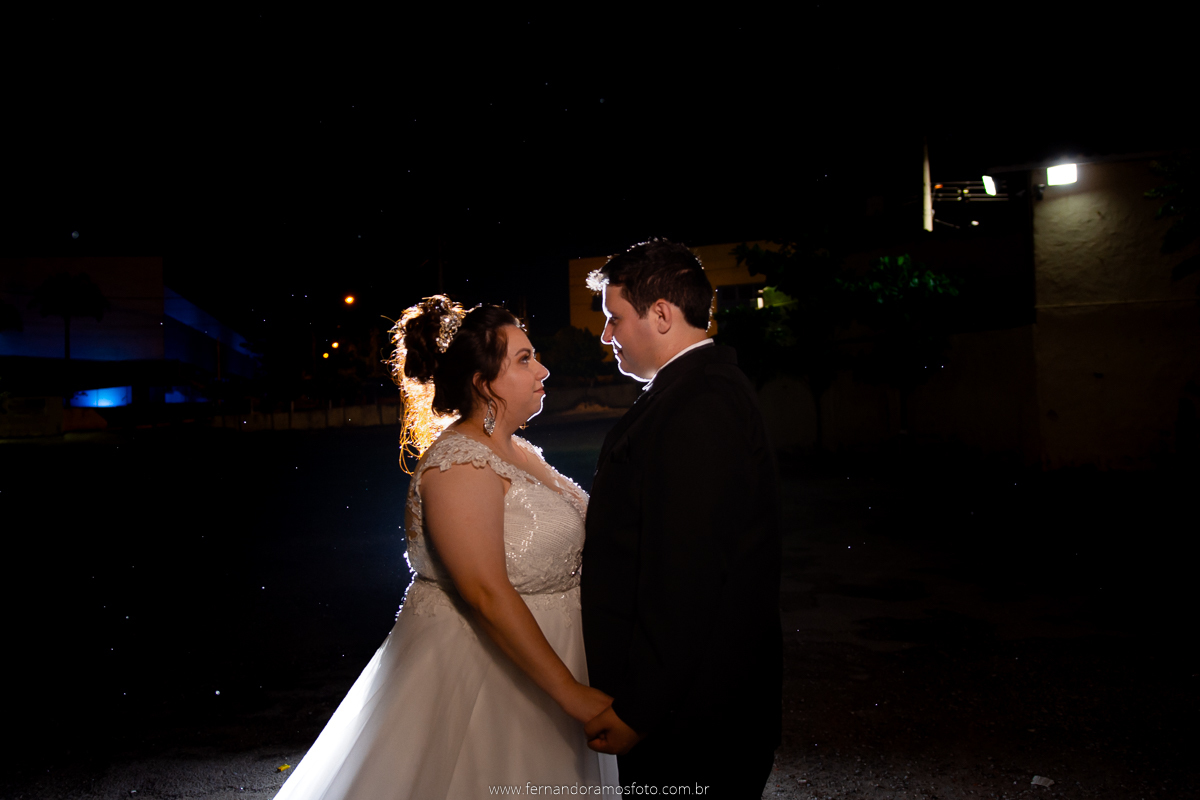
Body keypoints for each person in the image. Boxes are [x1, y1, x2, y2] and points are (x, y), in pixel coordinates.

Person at [274, 296, 618, 799]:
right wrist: (572, 696)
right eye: (524, 359)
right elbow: (483, 590)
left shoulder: (521, 451)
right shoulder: (457, 463)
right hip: (481, 683)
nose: (543, 368)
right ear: (483, 382)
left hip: (550, 664)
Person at [580, 239, 783, 797]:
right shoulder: (687, 391)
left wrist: (639, 711)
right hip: (689, 711)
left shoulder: (699, 403)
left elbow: (685, 576)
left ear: (662, 315)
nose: (606, 336)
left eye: (614, 318)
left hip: (693, 726)